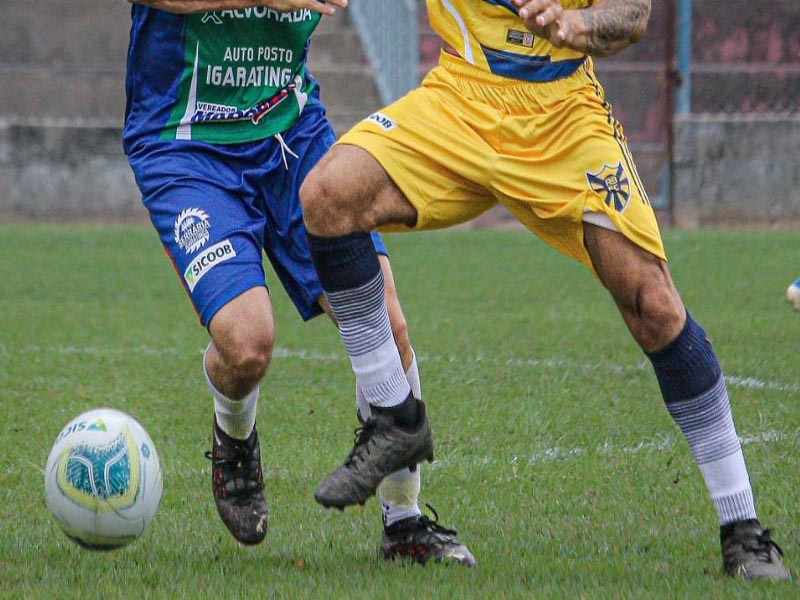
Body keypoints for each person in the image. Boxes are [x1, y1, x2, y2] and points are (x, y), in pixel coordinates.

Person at [299, 0, 790, 581]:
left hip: (563, 116)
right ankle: (394, 418)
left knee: (654, 305)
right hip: (463, 97)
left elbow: (631, 14)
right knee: (328, 196)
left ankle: (743, 530)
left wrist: (579, 24)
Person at [122, 0, 474, 566]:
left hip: (289, 134)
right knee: (246, 345)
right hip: (185, 145)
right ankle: (234, 438)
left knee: (387, 319)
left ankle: (404, 525)